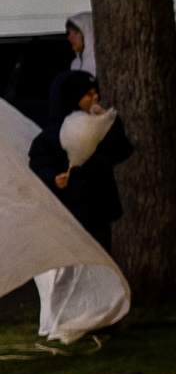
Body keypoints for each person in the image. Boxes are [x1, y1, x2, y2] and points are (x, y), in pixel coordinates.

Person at [27, 70, 133, 251]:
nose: (95, 97)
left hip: (98, 207)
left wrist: (107, 120)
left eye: (95, 92)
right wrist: (53, 178)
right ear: (73, 99)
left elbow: (121, 151)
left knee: (101, 251)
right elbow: (40, 162)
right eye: (88, 94)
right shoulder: (52, 136)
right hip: (71, 207)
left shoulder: (96, 130)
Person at [64, 12, 96, 76]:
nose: (69, 38)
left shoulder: (100, 62)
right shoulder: (75, 64)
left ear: (88, 32)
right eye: (69, 33)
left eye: (76, 33)